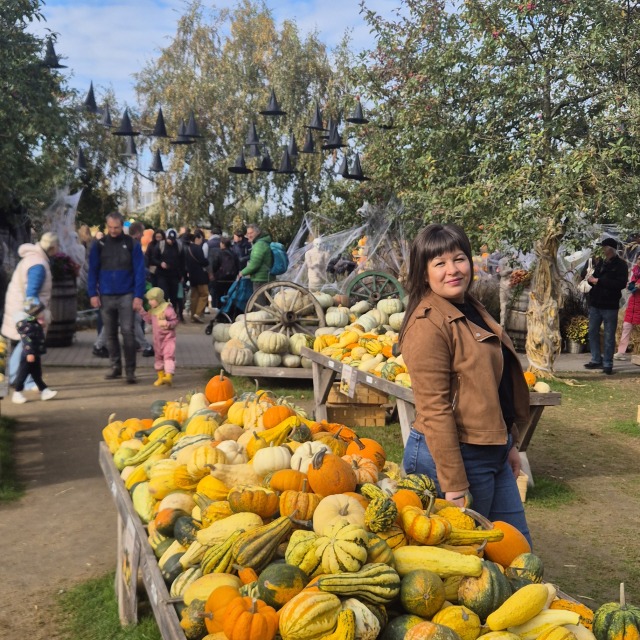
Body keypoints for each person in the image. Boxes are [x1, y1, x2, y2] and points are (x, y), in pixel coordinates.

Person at [398, 223, 532, 545]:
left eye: (459, 259)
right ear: (424, 273)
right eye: (439, 263)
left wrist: (509, 443)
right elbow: (435, 409)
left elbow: (490, 387)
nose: (453, 270)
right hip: (455, 454)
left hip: (492, 449)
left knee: (518, 549)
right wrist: (454, 483)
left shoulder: (471, 308)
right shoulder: (427, 324)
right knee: (472, 555)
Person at [87, 212, 146, 384]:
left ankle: (130, 371)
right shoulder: (99, 245)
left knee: (128, 331)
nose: (113, 231)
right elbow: (92, 270)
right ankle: (115, 367)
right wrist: (92, 293)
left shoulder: (132, 244)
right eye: (110, 227)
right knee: (110, 333)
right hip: (106, 295)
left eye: (117, 227)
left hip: (127, 294)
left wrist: (138, 296)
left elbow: (139, 271)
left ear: (122, 226)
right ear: (107, 226)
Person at [2, 231, 59, 391]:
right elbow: (31, 295)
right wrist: (41, 315)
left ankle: (19, 377)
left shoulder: (33, 259)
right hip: (27, 312)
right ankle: (21, 379)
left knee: (24, 345)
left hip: (19, 308)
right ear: (52, 247)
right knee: (29, 346)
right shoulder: (38, 265)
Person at [582, 238, 628, 374]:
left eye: (604, 247)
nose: (602, 250)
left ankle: (608, 363)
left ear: (610, 249)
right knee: (592, 332)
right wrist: (589, 279)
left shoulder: (621, 265)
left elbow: (620, 284)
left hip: (610, 305)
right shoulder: (600, 263)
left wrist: (599, 281)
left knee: (608, 335)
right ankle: (596, 359)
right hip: (595, 303)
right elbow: (592, 278)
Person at [11, 302, 58, 403]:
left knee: (37, 374)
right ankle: (17, 392)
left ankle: (44, 391)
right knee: (23, 374)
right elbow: (27, 340)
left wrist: (39, 325)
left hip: (34, 353)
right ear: (34, 314)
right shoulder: (28, 326)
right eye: (41, 312)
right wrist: (30, 353)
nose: (43, 314)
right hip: (29, 355)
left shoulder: (33, 323)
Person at [139, 287, 178, 386]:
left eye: (152, 300)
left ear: (158, 299)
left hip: (168, 338)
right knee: (158, 357)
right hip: (157, 340)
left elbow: (175, 321)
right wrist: (142, 311)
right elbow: (149, 320)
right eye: (149, 300)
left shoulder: (168, 309)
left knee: (168, 356)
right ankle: (161, 377)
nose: (150, 302)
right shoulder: (153, 311)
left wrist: (168, 324)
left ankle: (168, 375)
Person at [614, 252, 640, 360]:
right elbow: (630, 285)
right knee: (626, 326)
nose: (639, 261)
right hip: (633, 304)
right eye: (638, 258)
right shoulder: (635, 271)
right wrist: (631, 285)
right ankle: (621, 352)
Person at [153, 229, 184, 316]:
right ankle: (163, 313)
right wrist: (160, 263)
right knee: (164, 294)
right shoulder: (161, 245)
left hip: (174, 275)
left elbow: (182, 261)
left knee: (174, 296)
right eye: (169, 239)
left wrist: (182, 275)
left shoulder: (179, 246)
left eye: (173, 240)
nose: (171, 241)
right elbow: (153, 258)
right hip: (162, 274)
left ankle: (172, 313)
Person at [237, 223, 272, 292]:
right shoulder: (263, 242)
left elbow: (254, 264)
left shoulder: (259, 245)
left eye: (251, 233)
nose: (249, 235)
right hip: (266, 277)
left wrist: (242, 273)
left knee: (259, 299)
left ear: (257, 233)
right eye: (248, 233)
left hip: (261, 279)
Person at [185, 231, 210, 323]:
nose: (201, 241)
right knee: (204, 294)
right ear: (197, 239)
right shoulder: (198, 248)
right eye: (201, 239)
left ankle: (193, 316)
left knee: (194, 296)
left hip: (192, 275)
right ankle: (198, 313)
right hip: (200, 275)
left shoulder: (188, 248)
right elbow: (203, 261)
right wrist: (207, 262)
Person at [211, 236, 240, 312]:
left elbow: (215, 265)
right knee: (229, 294)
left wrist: (214, 274)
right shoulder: (234, 254)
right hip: (231, 278)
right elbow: (238, 266)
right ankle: (228, 311)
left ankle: (220, 311)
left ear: (223, 244)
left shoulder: (219, 253)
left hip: (220, 279)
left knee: (219, 295)